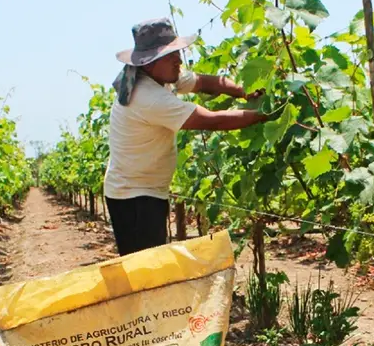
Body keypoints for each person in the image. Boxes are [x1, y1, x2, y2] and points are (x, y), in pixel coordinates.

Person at [106, 17, 270, 256]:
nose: (178, 60)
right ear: (149, 63)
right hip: (133, 198)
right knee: (145, 270)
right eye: (170, 55)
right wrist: (265, 115)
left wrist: (242, 90)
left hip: (145, 191)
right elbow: (213, 120)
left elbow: (204, 82)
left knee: (151, 266)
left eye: (177, 52)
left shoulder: (159, 77)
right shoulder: (148, 97)